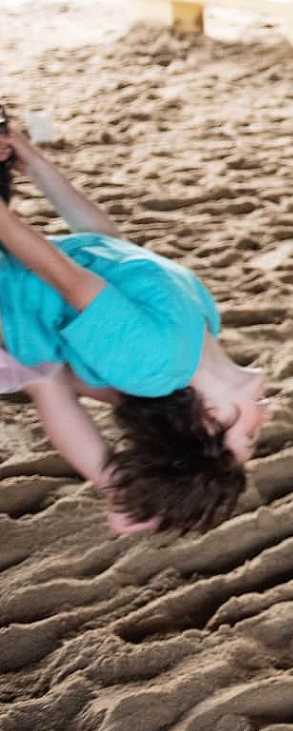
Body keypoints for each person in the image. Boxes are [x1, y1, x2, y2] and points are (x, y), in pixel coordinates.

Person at [0, 122, 267, 535]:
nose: (264, 425)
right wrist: (35, 163)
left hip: (12, 295)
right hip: (20, 275)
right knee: (49, 376)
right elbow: (107, 242)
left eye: (249, 440)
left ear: (210, 421)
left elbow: (64, 275)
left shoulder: (154, 362)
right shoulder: (203, 321)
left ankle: (119, 492)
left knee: (47, 378)